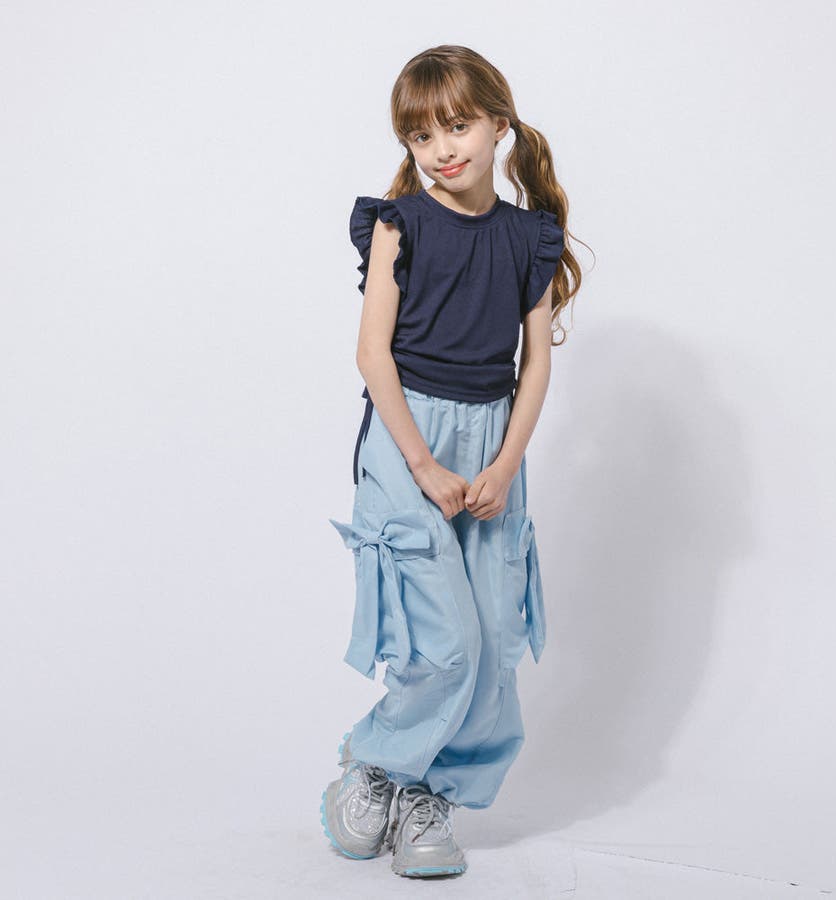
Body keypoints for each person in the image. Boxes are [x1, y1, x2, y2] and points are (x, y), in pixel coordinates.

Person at [320, 44, 585, 878]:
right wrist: (424, 466)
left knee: (493, 641)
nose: (441, 148)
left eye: (458, 126)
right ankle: (374, 765)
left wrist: (504, 465)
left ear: (499, 124)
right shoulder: (399, 225)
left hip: (492, 443)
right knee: (445, 644)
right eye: (421, 134)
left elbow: (534, 365)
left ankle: (430, 795)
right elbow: (373, 355)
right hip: (409, 439)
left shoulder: (528, 237)